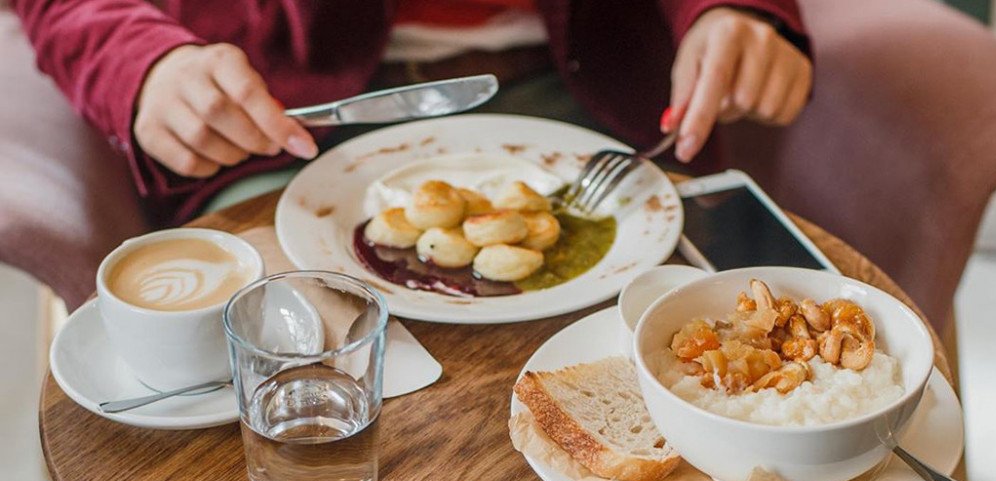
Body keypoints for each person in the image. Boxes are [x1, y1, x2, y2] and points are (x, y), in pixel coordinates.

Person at [9, 0, 811, 298]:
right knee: (308, 371)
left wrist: (734, 10)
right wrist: (142, 66)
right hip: (282, 110)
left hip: (586, 92)